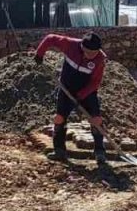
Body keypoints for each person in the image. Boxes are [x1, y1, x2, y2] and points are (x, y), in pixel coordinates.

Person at [35, 32, 108, 166]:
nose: (91, 55)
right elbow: (50, 38)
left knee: (96, 119)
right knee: (59, 118)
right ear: (82, 47)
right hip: (66, 89)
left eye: (94, 52)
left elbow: (96, 82)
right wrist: (40, 53)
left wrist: (81, 95)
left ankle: (99, 151)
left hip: (87, 92)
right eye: (88, 52)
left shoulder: (100, 59)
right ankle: (59, 151)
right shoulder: (70, 45)